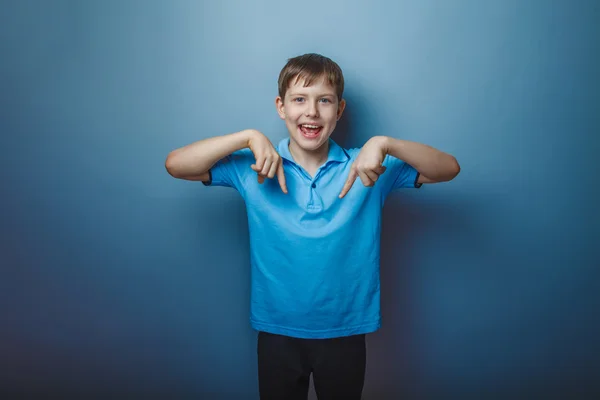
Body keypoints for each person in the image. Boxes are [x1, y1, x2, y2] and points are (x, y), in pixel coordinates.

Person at [165, 53, 460, 400]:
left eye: (324, 101)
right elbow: (176, 164)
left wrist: (384, 143)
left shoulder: (369, 166)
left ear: (339, 109)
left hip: (345, 330)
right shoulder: (253, 167)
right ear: (281, 106)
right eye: (299, 100)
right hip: (277, 331)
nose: (312, 112)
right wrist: (246, 137)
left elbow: (448, 169)